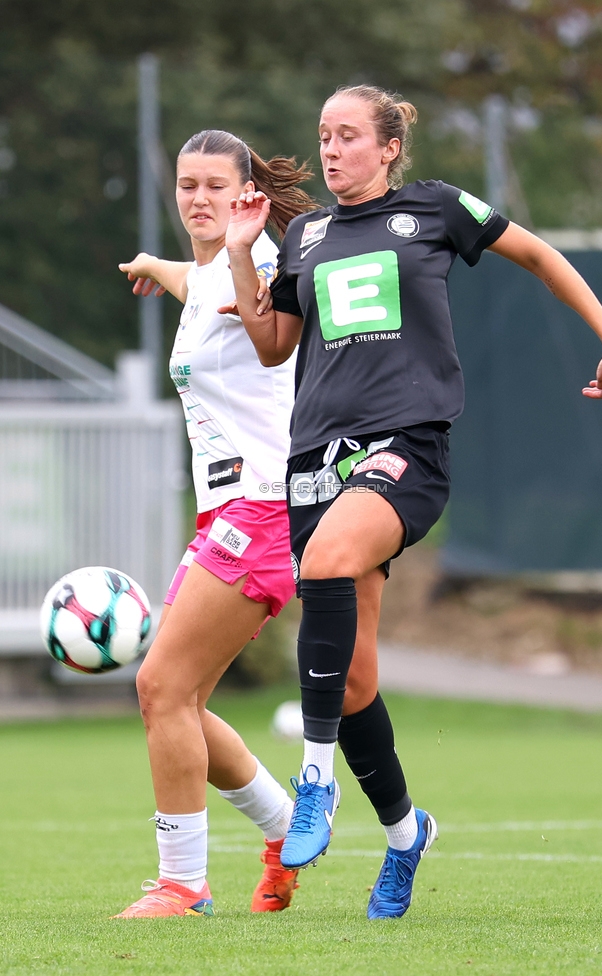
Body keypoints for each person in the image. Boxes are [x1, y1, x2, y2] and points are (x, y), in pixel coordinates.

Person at [224, 85, 602, 920]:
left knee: (330, 561)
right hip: (315, 460)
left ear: (388, 147)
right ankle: (408, 834)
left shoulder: (437, 210)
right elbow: (272, 348)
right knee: (356, 679)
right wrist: (241, 251)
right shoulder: (304, 234)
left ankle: (314, 782)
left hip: (406, 446)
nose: (331, 151)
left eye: (347, 137)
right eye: (322, 136)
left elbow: (541, 256)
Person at [112, 129, 316, 918]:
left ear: (247, 196)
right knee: (182, 700)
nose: (198, 198)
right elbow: (187, 278)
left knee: (161, 686)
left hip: (263, 509)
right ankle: (286, 825)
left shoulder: (256, 268)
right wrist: (150, 267)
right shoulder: (205, 272)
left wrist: (227, 265)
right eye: (186, 184)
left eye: (214, 186)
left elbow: (254, 312)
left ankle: (182, 884)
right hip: (230, 511)